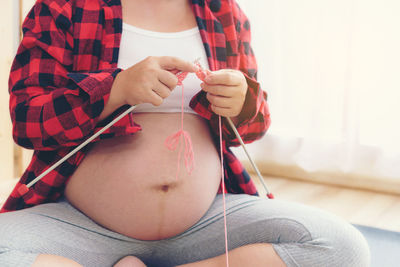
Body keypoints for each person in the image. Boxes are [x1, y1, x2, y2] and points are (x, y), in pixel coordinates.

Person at [0, 0, 370, 266]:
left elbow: (254, 125)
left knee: (342, 247)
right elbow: (27, 119)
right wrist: (117, 89)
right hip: (83, 226)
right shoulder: (64, 8)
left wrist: (242, 101)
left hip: (205, 224)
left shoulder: (224, 12)